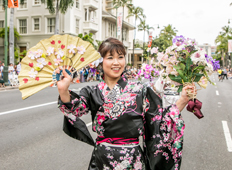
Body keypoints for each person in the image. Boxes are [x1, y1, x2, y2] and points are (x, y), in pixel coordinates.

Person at [56, 38, 196, 170]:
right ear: (101, 61)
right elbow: (75, 110)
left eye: (120, 57)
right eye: (110, 58)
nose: (116, 62)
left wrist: (183, 100)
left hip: (132, 160)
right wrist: (63, 90)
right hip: (102, 159)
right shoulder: (92, 91)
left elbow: (160, 120)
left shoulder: (140, 90)